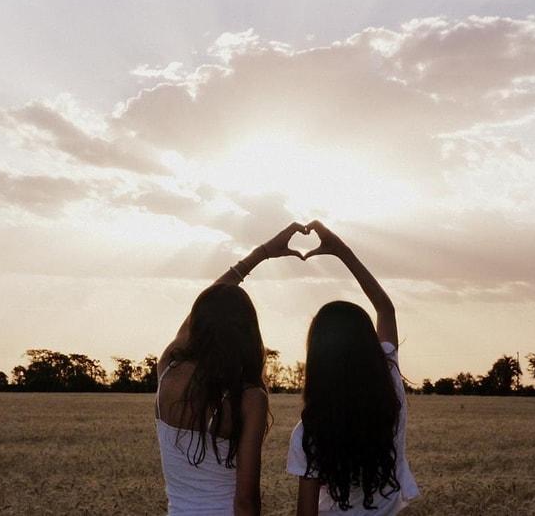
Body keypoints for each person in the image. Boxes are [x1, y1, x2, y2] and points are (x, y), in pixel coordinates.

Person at [156, 222, 308, 516]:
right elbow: (246, 501)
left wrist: (261, 253)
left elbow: (201, 309)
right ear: (247, 332)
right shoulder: (249, 399)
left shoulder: (167, 371)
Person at [287, 221, 419, 515]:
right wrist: (342, 251)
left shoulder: (309, 432)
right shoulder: (391, 392)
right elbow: (385, 309)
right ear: (368, 345)